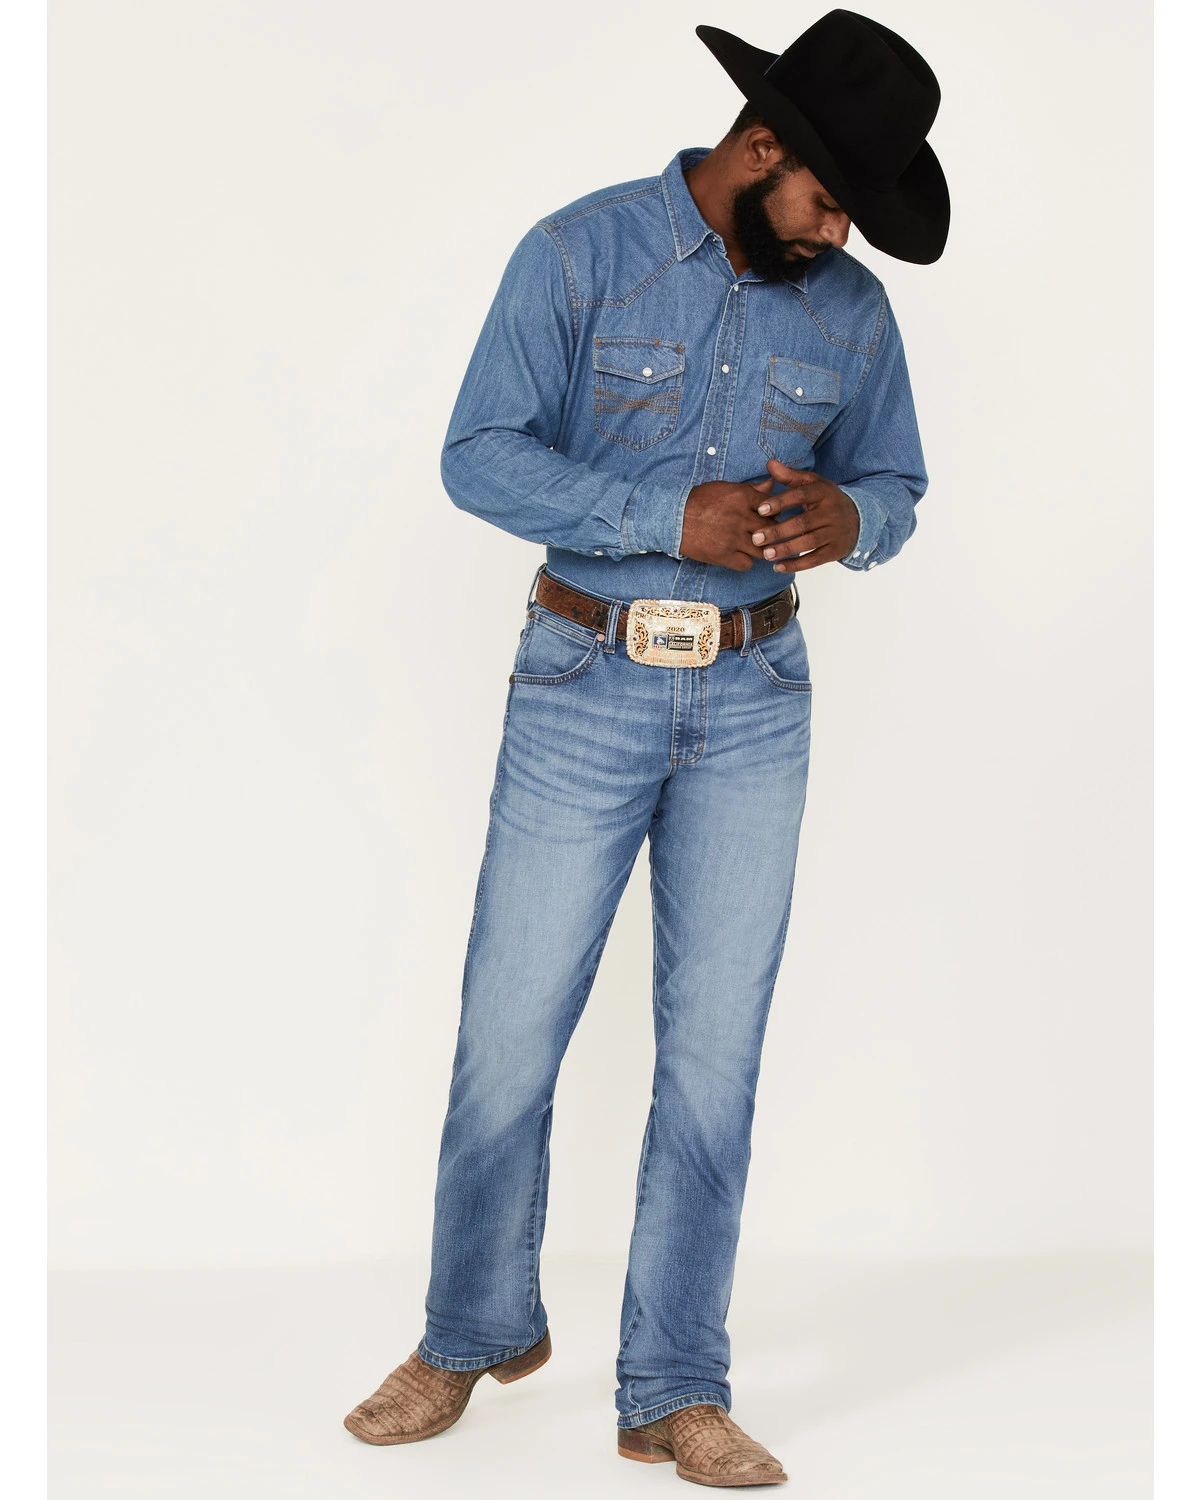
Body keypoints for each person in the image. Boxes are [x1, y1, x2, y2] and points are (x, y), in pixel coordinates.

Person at [344, 9, 949, 1487]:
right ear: (760, 146)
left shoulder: (854, 312)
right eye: (826, 199)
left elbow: (897, 482)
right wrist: (661, 515)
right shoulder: (578, 254)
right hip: (582, 681)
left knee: (715, 1060)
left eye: (853, 214)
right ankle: (470, 1329)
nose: (836, 232)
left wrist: (855, 520)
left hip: (756, 698)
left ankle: (675, 1386)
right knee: (509, 1035)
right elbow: (477, 452)